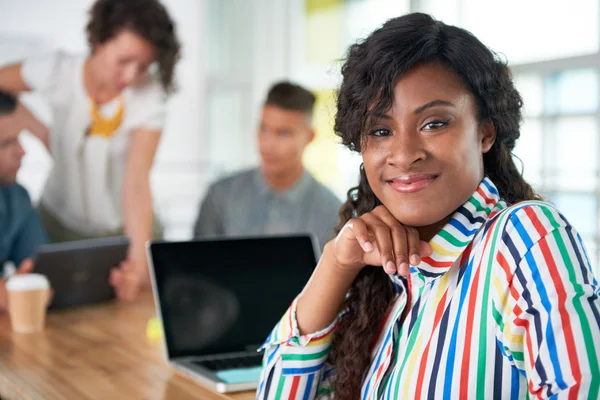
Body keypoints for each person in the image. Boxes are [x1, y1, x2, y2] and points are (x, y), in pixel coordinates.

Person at [257, 13, 600, 399]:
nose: (403, 154)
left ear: (485, 132)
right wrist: (337, 264)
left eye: (435, 123)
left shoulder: (523, 237)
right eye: (381, 131)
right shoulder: (386, 283)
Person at [0, 0, 181, 301]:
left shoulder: (150, 95)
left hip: (124, 230)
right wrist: (33, 127)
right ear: (99, 40)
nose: (132, 75)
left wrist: (136, 266)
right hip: (58, 224)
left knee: (132, 309)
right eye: (125, 60)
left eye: (144, 65)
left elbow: (136, 184)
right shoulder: (56, 70)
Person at [194, 82, 341, 250]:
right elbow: (196, 271)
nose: (267, 144)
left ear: (309, 137)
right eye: (263, 129)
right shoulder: (219, 196)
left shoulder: (332, 212)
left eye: (283, 133)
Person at [0, 91, 48, 310]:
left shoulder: (17, 197)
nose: (22, 151)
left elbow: (38, 266)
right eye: (6, 143)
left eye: (19, 138)